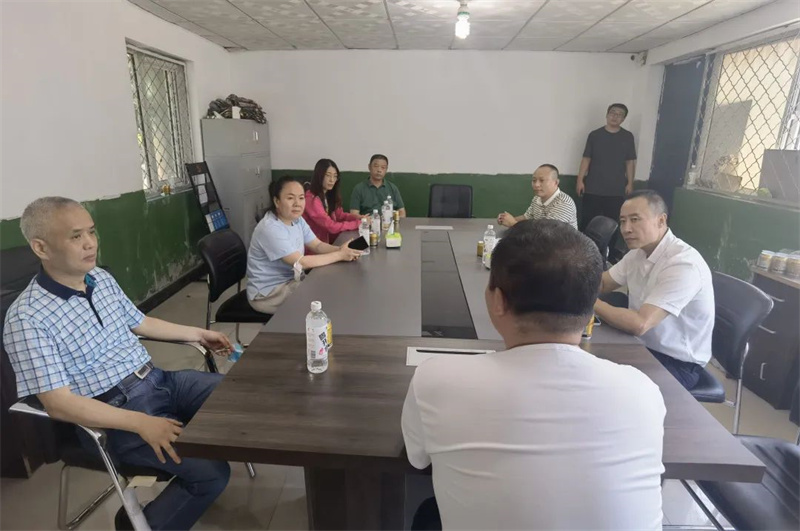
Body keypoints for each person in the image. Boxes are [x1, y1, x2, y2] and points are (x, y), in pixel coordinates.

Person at [402, 219, 665, 530]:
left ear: (498, 300)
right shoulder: (642, 391)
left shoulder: (436, 380)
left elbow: (417, 458)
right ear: (591, 306)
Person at [3, 197, 233, 531]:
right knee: (211, 473)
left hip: (158, 381)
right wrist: (141, 422)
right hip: (113, 416)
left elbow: (140, 322)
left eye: (92, 231)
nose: (90, 243)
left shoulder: (98, 278)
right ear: (41, 247)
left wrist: (198, 333)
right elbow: (58, 403)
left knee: (238, 399)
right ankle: (144, 524)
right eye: (76, 236)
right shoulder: (27, 318)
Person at [593, 190, 714, 391]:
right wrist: (566, 281)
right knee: (586, 362)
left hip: (676, 363)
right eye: (622, 221)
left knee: (604, 386)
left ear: (661, 221)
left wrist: (588, 300)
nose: (626, 229)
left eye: (635, 220)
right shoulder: (638, 253)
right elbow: (603, 284)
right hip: (641, 345)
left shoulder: (683, 264)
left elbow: (640, 324)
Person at [247, 176, 362, 314]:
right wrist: (339, 255)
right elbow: (301, 263)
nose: (297, 203)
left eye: (301, 198)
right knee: (329, 296)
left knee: (331, 285)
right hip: (269, 293)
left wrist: (342, 250)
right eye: (290, 198)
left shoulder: (297, 220)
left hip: (291, 281)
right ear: (277, 201)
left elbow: (317, 245)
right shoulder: (270, 228)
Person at [576, 103, 637, 230]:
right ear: (607, 115)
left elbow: (630, 161)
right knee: (587, 221)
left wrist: (630, 183)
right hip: (593, 188)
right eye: (612, 113)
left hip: (616, 190)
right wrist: (580, 180)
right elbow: (586, 158)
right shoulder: (594, 135)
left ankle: (610, 245)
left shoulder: (627, 137)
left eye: (620, 115)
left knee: (613, 224)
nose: (615, 116)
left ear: (623, 119)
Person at [496, 164, 578, 229]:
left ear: (556, 182)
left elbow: (546, 234)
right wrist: (505, 219)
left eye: (542, 180)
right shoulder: (537, 199)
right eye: (534, 180)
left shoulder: (563, 203)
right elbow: (526, 217)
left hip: (560, 245)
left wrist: (513, 224)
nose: (536, 185)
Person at [303, 159, 363, 245]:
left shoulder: (328, 194)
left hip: (328, 242)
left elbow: (340, 215)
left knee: (363, 244)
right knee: (358, 246)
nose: (332, 180)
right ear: (319, 176)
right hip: (315, 247)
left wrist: (358, 217)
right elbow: (330, 226)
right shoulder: (311, 198)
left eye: (335, 176)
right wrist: (358, 224)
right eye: (328, 175)